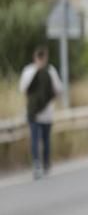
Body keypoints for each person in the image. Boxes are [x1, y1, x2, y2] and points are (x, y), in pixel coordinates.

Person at [19, 46, 64, 179]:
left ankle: (45, 163)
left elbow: (58, 88)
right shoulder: (29, 71)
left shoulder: (50, 71)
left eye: (42, 57)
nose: (41, 59)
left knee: (45, 140)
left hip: (47, 113)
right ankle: (37, 164)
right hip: (33, 112)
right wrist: (37, 71)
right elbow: (23, 88)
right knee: (35, 139)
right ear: (35, 57)